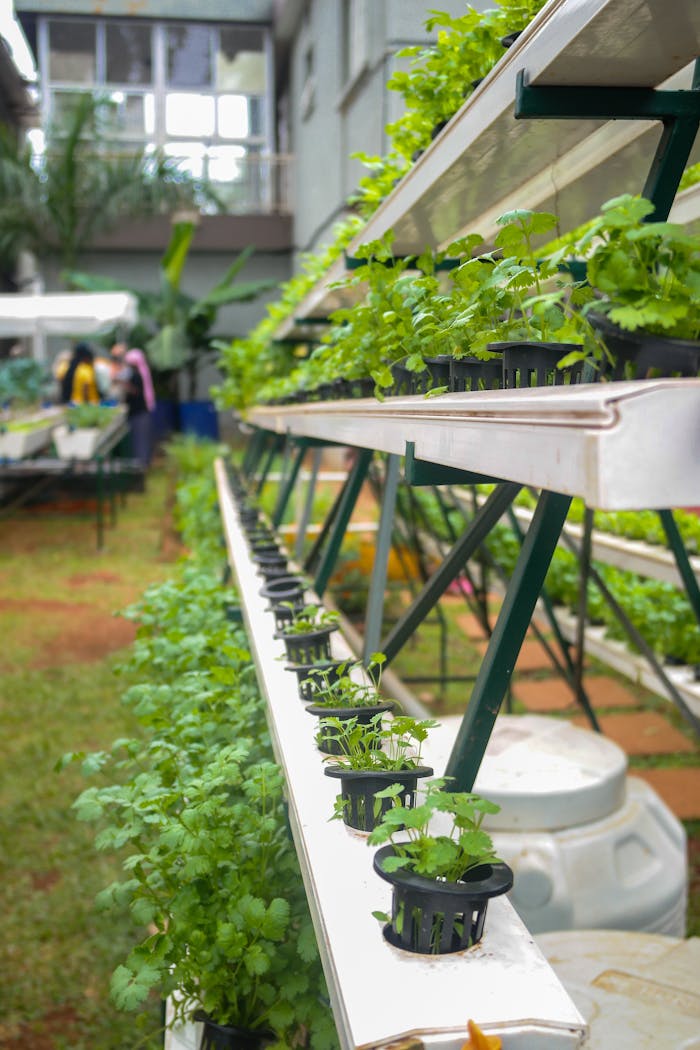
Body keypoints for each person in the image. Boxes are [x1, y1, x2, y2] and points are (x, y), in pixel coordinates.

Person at [114, 346, 156, 468]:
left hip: (139, 412)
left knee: (141, 439)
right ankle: (142, 463)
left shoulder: (137, 375)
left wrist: (124, 385)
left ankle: (142, 465)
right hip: (139, 412)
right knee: (140, 439)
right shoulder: (139, 373)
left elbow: (135, 391)